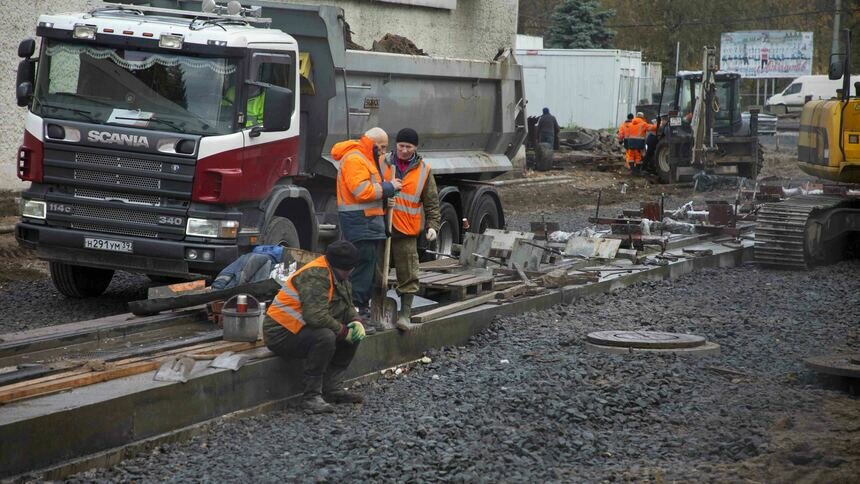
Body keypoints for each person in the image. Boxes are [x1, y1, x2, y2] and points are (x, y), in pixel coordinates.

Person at [263, 240, 367, 414]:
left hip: (300, 329)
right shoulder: (316, 275)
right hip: (281, 334)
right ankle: (311, 396)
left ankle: (332, 388)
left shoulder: (338, 276)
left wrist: (356, 321)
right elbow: (315, 317)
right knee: (326, 336)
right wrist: (343, 332)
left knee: (352, 333)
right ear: (346, 268)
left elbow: (346, 305)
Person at [331, 128, 402, 332]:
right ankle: (356, 315)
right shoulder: (356, 159)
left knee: (366, 267)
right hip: (360, 223)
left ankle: (359, 312)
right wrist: (389, 187)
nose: (383, 152)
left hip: (366, 223)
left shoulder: (363, 157)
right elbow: (361, 191)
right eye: (383, 147)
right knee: (361, 269)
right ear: (376, 144)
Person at [383, 128, 441, 331]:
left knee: (408, 273)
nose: (404, 150)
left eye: (409, 147)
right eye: (401, 146)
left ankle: (404, 314)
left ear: (415, 148)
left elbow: (432, 202)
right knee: (376, 272)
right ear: (395, 145)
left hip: (406, 231)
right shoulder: (383, 164)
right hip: (381, 228)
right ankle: (372, 309)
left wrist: (432, 226)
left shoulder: (424, 171)